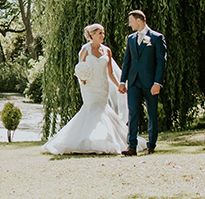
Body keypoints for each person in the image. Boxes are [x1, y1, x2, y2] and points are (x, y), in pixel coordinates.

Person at [42, 23, 146, 155]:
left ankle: (103, 140)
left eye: (103, 33)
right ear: (92, 35)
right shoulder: (85, 50)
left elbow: (110, 73)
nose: (103, 35)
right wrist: (83, 79)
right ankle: (85, 142)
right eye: (100, 33)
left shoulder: (107, 50)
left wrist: (119, 84)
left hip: (103, 86)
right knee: (91, 110)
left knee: (102, 110)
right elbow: (80, 69)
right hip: (89, 87)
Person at [119, 10, 167, 156]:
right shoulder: (131, 38)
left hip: (150, 82)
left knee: (151, 114)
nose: (129, 24)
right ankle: (131, 146)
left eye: (131, 21)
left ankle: (151, 145)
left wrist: (157, 82)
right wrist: (122, 81)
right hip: (133, 82)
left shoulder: (156, 38)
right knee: (132, 113)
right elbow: (127, 61)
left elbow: (161, 62)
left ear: (139, 20)